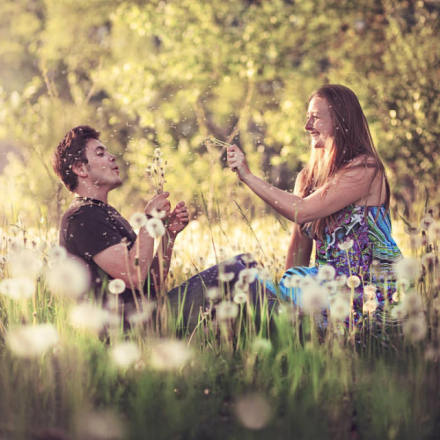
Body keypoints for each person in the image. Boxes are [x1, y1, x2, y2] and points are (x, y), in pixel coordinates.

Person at [53, 126, 274, 330]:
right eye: (100, 153)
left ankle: (276, 334)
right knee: (237, 270)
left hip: (149, 316)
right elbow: (133, 276)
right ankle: (294, 325)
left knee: (245, 264)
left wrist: (169, 236)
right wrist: (149, 220)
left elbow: (151, 285)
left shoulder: (104, 213)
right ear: (80, 168)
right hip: (129, 330)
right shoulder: (82, 217)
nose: (112, 157)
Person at [227, 84, 402, 323]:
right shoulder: (307, 179)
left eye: (316, 118)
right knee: (241, 272)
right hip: (321, 289)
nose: (307, 126)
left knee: (267, 293)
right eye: (307, 118)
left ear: (340, 120)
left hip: (367, 294)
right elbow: (299, 249)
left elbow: (302, 210)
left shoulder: (365, 169)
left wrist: (248, 176)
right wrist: (284, 298)